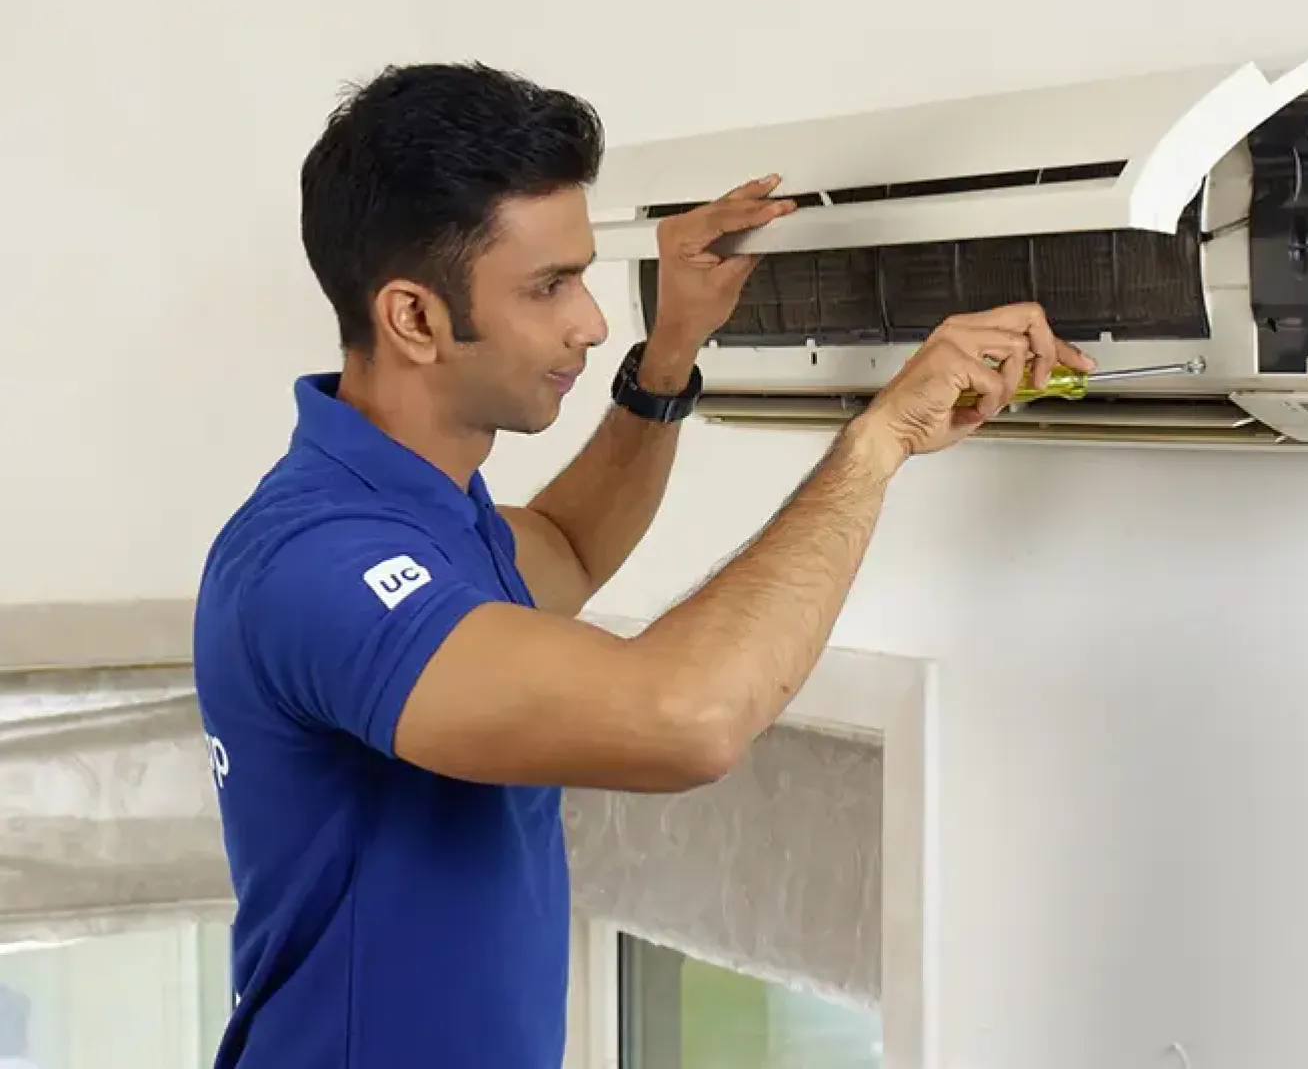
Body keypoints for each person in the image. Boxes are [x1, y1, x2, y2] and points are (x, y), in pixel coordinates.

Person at [191, 61, 1092, 1069]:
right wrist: (874, 442)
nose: (589, 319)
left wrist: (668, 357)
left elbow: (568, 548)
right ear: (414, 318)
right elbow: (685, 720)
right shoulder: (319, 560)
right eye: (549, 286)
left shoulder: (422, 512)